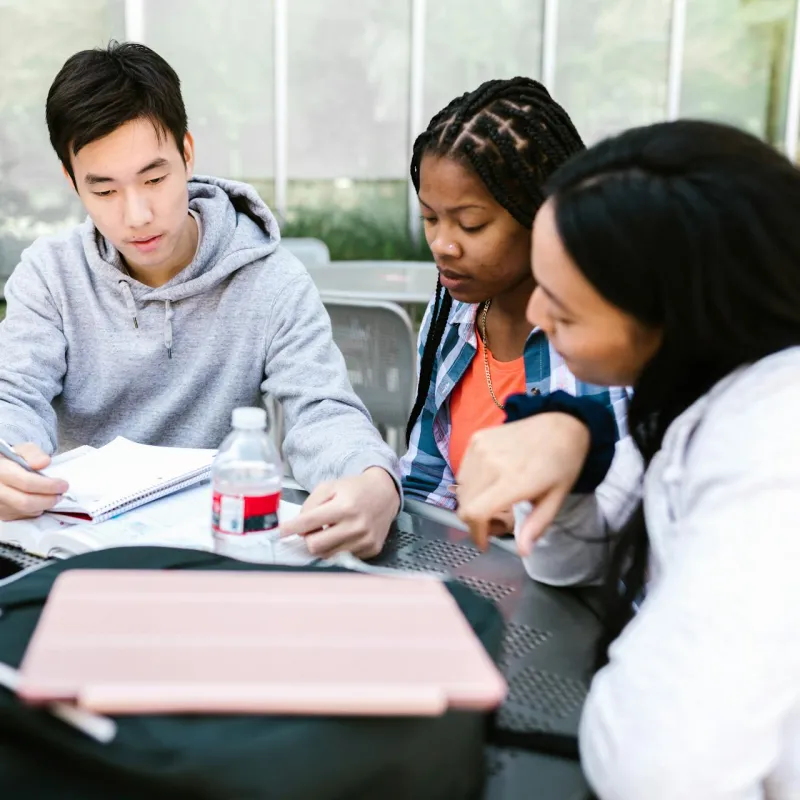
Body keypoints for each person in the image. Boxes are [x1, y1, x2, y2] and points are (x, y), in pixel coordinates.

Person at [455, 120, 800, 799]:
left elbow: (658, 764)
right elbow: (565, 560)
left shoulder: (768, 450)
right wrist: (575, 454)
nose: (541, 320)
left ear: (680, 313)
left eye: (566, 308)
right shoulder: (691, 393)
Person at [0, 42, 400, 558]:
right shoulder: (50, 274)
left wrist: (372, 480)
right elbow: (12, 394)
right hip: (76, 551)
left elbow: (322, 409)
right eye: (105, 191)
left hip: (216, 548)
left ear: (188, 153)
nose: (137, 214)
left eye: (155, 178)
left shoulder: (269, 279)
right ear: (72, 181)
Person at [399, 77, 628, 525]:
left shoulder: (609, 332)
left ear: (542, 214)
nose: (443, 244)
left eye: (471, 225)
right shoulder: (452, 311)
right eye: (430, 218)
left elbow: (635, 505)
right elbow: (426, 484)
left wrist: (531, 514)